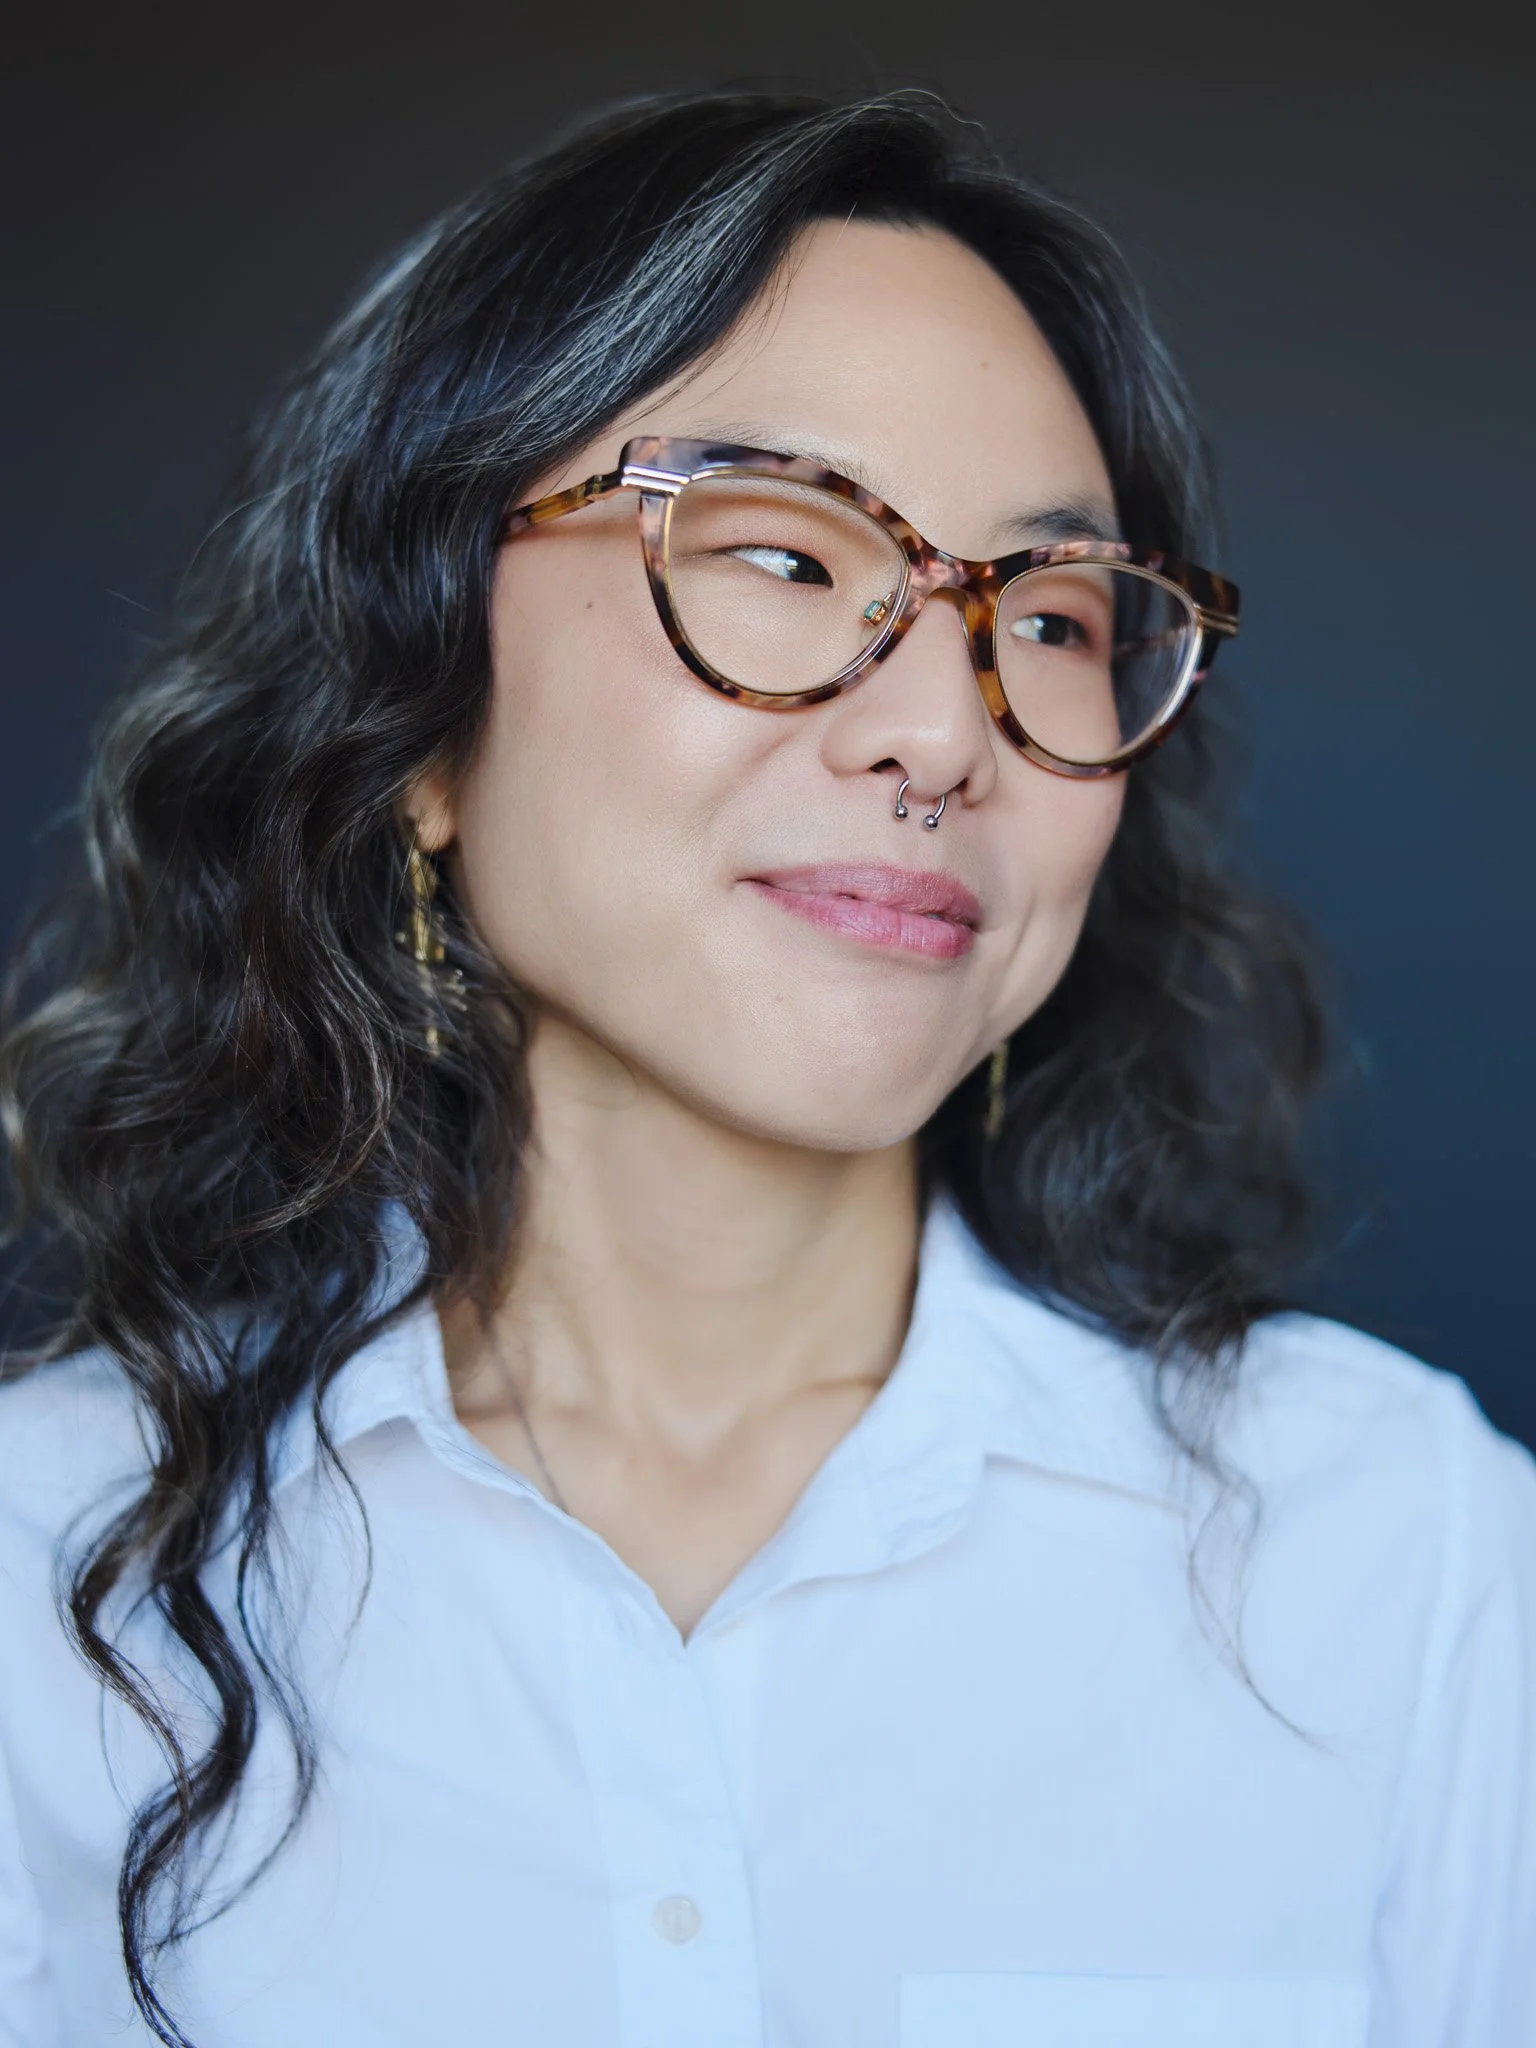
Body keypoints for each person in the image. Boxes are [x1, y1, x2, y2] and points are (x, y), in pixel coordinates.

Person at [0, 88, 1530, 2048]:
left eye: (1050, 615)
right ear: (418, 715)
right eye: (788, 560)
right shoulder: (47, 1582)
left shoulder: (1399, 1558)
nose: (942, 733)